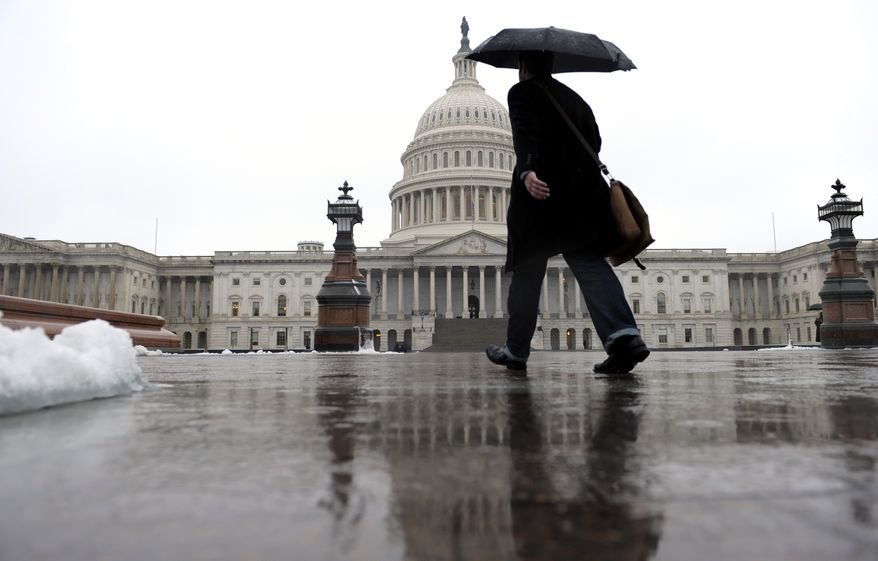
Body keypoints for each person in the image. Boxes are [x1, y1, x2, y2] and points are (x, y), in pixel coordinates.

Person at [486, 50, 648, 374]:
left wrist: (528, 171)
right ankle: (625, 336)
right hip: (583, 197)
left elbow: (524, 135)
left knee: (527, 272)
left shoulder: (521, 92)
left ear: (523, 66)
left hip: (541, 196)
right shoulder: (576, 100)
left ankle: (516, 350)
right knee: (589, 264)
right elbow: (596, 142)